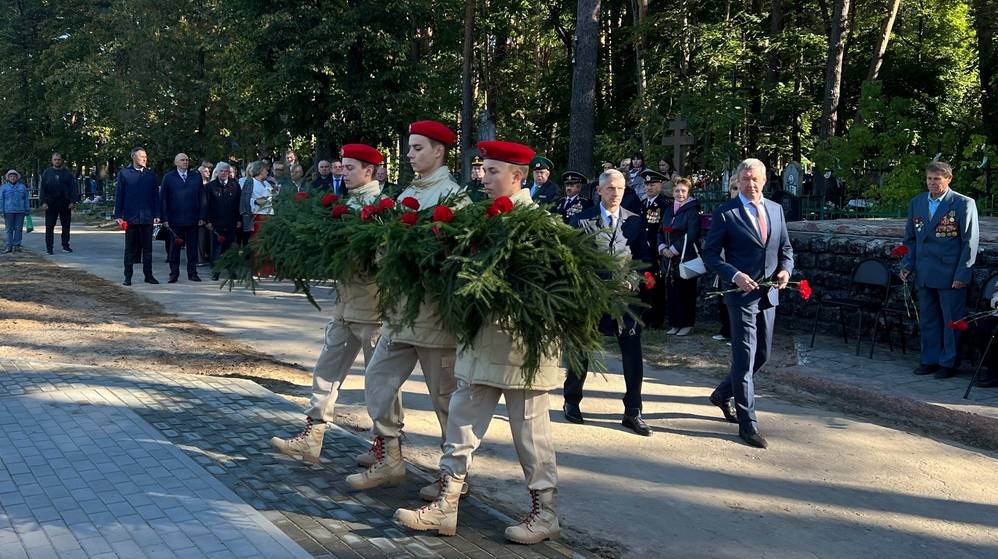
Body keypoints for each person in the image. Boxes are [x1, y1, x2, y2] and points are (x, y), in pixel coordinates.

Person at [393, 140, 563, 544]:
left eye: (492, 172)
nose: (483, 178)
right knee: (461, 423)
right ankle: (447, 506)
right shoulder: (481, 221)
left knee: (530, 435)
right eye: (483, 171)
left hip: (524, 352)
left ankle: (545, 514)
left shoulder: (541, 225)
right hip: (479, 343)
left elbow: (548, 292)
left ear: (517, 177)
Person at [345, 121, 466, 500]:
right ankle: (390, 458)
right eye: (410, 148)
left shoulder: (454, 197)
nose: (409, 154)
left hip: (434, 318)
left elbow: (453, 258)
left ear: (439, 152)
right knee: (378, 382)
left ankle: (455, 481)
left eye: (416, 148)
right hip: (399, 315)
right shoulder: (406, 194)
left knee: (445, 402)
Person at [270, 144, 403, 463]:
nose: (342, 172)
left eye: (350, 167)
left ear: (369, 171)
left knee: (381, 383)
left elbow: (386, 259)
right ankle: (312, 436)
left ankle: (389, 449)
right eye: (342, 167)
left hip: (372, 309)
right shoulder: (347, 201)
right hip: (345, 306)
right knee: (326, 372)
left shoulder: (381, 206)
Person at [702, 158, 794, 449]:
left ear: (765, 180)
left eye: (756, 179)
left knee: (762, 356)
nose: (751, 185)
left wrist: (785, 271)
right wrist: (735, 275)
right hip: (740, 296)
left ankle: (721, 393)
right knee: (743, 359)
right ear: (738, 182)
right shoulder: (726, 212)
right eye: (745, 180)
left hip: (768, 295)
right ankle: (748, 423)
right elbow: (711, 255)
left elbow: (786, 249)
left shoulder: (776, 209)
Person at [562, 169, 652, 436]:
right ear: (599, 191)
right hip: (591, 296)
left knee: (633, 352)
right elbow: (572, 259)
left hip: (624, 298)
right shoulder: (581, 220)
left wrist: (634, 280)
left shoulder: (635, 222)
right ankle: (572, 400)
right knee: (581, 349)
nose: (615, 193)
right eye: (610, 188)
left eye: (620, 189)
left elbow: (644, 259)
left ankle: (633, 411)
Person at [900, 161, 980, 378]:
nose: (932, 183)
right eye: (929, 179)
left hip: (950, 273)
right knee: (928, 319)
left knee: (951, 321)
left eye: (937, 179)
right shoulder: (917, 202)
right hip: (924, 271)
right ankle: (930, 359)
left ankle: (948, 363)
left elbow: (969, 242)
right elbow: (910, 239)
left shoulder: (963, 203)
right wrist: (908, 264)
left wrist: (963, 274)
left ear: (948, 179)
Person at [658, 176, 702, 336]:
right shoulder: (669, 210)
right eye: (677, 190)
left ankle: (686, 323)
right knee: (672, 291)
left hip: (685, 256)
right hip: (669, 259)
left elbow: (692, 233)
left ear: (688, 192)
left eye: (683, 191)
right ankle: (674, 323)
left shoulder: (692, 210)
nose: (680, 193)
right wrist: (662, 247)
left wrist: (674, 249)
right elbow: (662, 230)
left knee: (685, 292)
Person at [114, 147, 160, 286]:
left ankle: (149, 275)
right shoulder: (125, 174)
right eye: (141, 156)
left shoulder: (150, 175)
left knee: (148, 248)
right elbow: (119, 195)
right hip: (131, 216)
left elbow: (155, 196)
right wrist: (118, 215)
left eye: (146, 156)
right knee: (130, 248)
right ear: (134, 157)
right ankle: (128, 276)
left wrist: (157, 214)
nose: (144, 159)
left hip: (147, 217)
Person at [160, 154, 205, 283]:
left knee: (192, 248)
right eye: (182, 160)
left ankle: (192, 273)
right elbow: (163, 199)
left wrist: (202, 216)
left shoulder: (196, 176)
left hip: (192, 218)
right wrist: (164, 218)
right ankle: (174, 273)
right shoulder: (168, 177)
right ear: (176, 162)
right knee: (174, 249)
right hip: (175, 219)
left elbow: (202, 197)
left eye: (187, 160)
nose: (185, 162)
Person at [640, 170, 670, 328]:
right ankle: (644, 317)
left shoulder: (665, 205)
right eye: (647, 184)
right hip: (642, 252)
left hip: (655, 253)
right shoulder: (642, 203)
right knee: (644, 285)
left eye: (653, 183)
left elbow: (665, 229)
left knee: (656, 287)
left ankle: (656, 319)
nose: (649, 186)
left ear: (660, 184)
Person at [712, 178, 741, 343]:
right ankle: (726, 329)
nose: (735, 192)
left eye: (738, 188)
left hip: (740, 262)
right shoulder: (724, 211)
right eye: (733, 189)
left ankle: (736, 332)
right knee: (723, 298)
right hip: (725, 261)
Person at [204, 162, 241, 281]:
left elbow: (238, 204)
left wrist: (239, 220)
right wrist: (207, 221)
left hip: (231, 222)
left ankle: (232, 271)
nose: (224, 173)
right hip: (216, 223)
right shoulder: (210, 186)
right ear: (217, 172)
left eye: (226, 171)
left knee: (231, 248)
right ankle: (216, 271)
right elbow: (206, 205)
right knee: (216, 248)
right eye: (222, 171)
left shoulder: (235, 185)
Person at [39, 152, 77, 254]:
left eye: (59, 159)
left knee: (66, 225)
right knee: (50, 226)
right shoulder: (47, 173)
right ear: (52, 161)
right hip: (51, 203)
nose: (57, 161)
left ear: (62, 160)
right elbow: (43, 188)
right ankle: (49, 248)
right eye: (55, 159)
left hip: (65, 202)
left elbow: (73, 188)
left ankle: (65, 245)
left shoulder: (67, 173)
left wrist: (73, 201)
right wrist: (43, 202)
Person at [1, 170, 29, 253]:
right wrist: (1, 210)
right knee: (9, 229)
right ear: (8, 178)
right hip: (8, 211)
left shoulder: (22, 187)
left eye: (14, 176)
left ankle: (17, 245)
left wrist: (27, 209)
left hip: (20, 211)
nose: (13, 178)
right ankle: (9, 246)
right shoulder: (4, 187)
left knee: (18, 229)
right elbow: (1, 199)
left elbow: (26, 199)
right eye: (11, 176)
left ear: (17, 177)